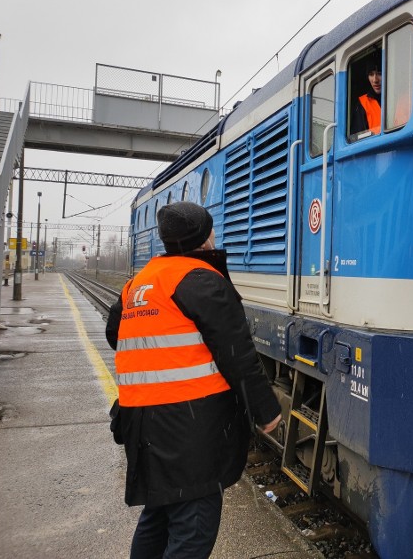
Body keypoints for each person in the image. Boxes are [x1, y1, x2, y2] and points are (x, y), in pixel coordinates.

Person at [106, 201, 280, 559]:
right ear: (204, 238)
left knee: (158, 515)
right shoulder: (201, 281)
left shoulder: (138, 285)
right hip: (189, 429)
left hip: (141, 423)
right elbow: (238, 355)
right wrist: (267, 412)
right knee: (194, 528)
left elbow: (116, 336)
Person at [351, 58, 382, 135]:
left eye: (379, 73)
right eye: (371, 74)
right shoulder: (362, 103)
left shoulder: (398, 99)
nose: (375, 80)